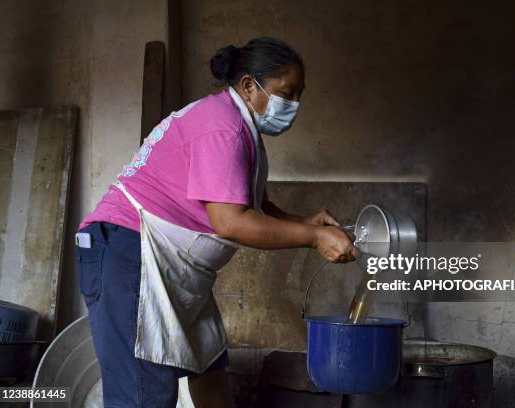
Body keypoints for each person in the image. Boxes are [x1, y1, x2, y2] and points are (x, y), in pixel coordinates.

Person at [74, 37, 358, 408]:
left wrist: (302, 220)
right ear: (247, 85)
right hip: (130, 254)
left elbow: (251, 203)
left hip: (169, 263)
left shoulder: (236, 124)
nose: (294, 105)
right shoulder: (222, 128)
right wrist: (314, 236)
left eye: (299, 95)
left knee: (208, 367)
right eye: (286, 93)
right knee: (144, 395)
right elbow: (231, 222)